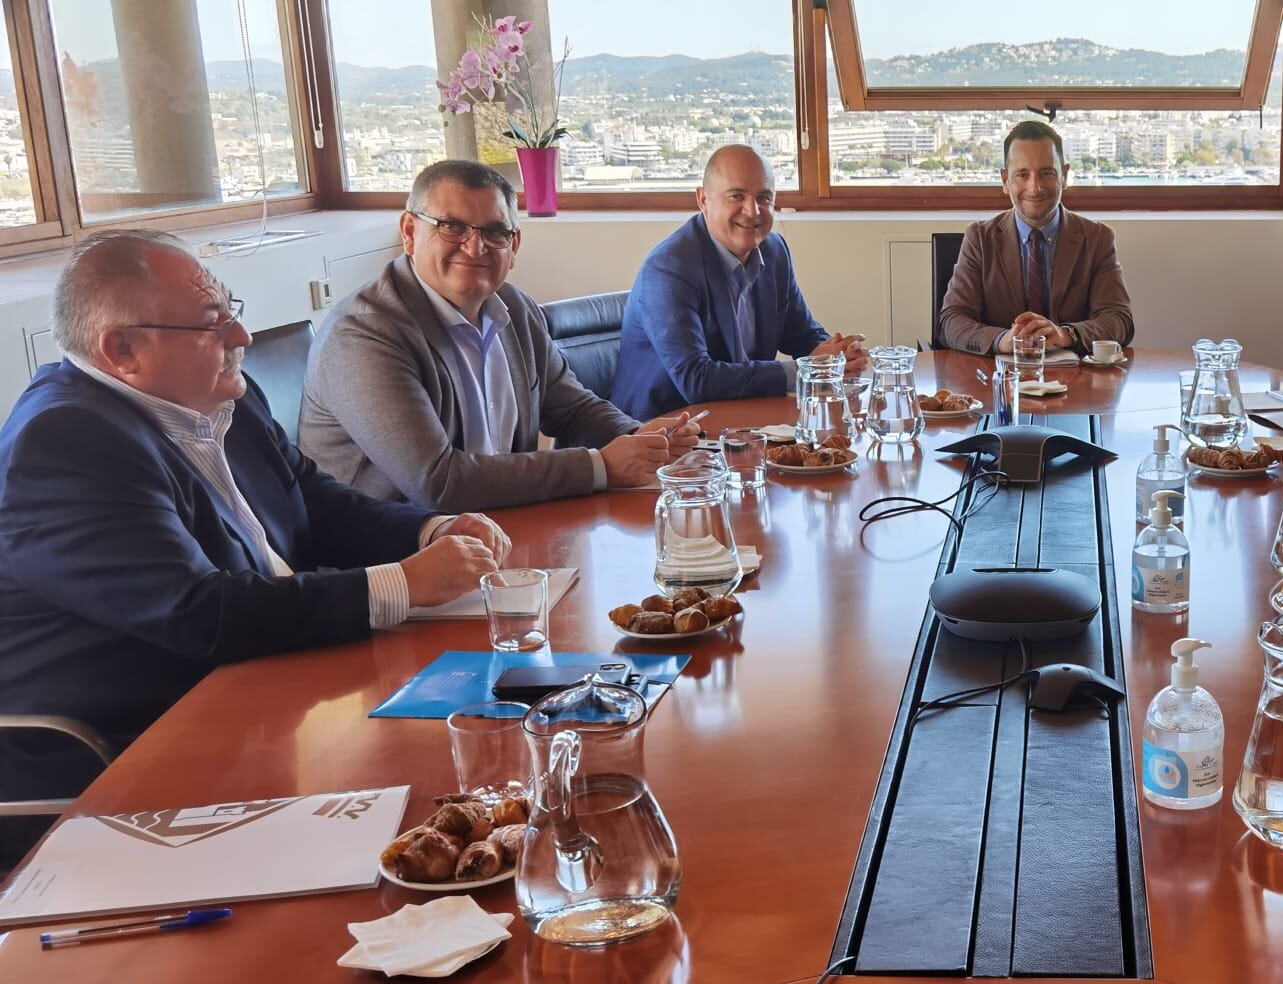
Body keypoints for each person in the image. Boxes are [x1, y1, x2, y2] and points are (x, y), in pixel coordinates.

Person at [0, 231, 510, 863]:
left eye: (233, 313)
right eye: (213, 325)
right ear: (122, 348)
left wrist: (430, 530)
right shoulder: (66, 441)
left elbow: (314, 502)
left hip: (268, 692)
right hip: (133, 755)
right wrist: (402, 584)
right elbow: (198, 612)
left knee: (492, 762)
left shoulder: (219, 397)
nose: (241, 338)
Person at [299, 160, 697, 512]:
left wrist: (640, 438)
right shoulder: (363, 335)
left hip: (501, 526)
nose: (475, 248)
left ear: (514, 243)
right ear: (409, 231)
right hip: (394, 558)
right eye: (451, 227)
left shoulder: (514, 307)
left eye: (494, 231)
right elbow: (438, 483)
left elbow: (572, 408)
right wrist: (601, 466)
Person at [612, 144, 866, 415]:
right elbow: (697, 380)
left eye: (764, 198)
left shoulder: (774, 250)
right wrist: (807, 369)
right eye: (736, 196)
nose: (753, 211)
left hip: (740, 423)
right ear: (703, 200)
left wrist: (838, 356)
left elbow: (801, 334)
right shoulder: (669, 268)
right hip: (660, 433)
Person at [938, 120, 1135, 356]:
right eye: (1022, 174)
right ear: (1004, 180)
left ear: (1064, 175)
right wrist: (1003, 340)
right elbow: (951, 321)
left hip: (1076, 382)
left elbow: (1119, 320)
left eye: (1047, 173)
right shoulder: (980, 238)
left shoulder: (1097, 238)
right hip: (999, 381)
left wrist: (1066, 334)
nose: (1035, 187)